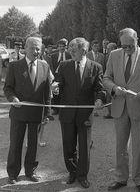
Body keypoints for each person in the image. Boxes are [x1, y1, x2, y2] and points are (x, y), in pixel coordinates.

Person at [104, 28, 140, 192]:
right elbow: (106, 78)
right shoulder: (114, 55)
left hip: (139, 107)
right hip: (120, 107)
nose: (127, 49)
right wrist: (114, 88)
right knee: (120, 146)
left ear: (137, 40)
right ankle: (121, 178)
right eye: (124, 46)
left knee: (139, 146)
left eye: (130, 46)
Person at [56, 37, 105, 189]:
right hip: (67, 114)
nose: (70, 51)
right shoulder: (63, 66)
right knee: (68, 145)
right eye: (69, 49)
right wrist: (55, 87)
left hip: (85, 114)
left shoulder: (96, 67)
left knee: (84, 146)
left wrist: (99, 100)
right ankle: (72, 172)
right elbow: (58, 83)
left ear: (84, 51)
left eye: (73, 49)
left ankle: (82, 175)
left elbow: (100, 88)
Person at [4, 37, 52, 184]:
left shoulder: (45, 67)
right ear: (25, 48)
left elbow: (47, 92)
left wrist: (47, 113)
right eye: (33, 48)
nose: (36, 51)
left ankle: (30, 171)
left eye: (38, 48)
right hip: (18, 112)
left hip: (36, 114)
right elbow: (8, 88)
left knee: (33, 145)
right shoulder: (14, 66)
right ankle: (12, 174)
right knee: (16, 144)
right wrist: (13, 99)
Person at [103, 42, 117, 119]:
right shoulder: (107, 56)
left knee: (115, 97)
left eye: (108, 48)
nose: (107, 49)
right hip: (108, 79)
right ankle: (110, 112)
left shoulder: (119, 56)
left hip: (116, 80)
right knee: (108, 97)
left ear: (113, 49)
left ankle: (114, 113)